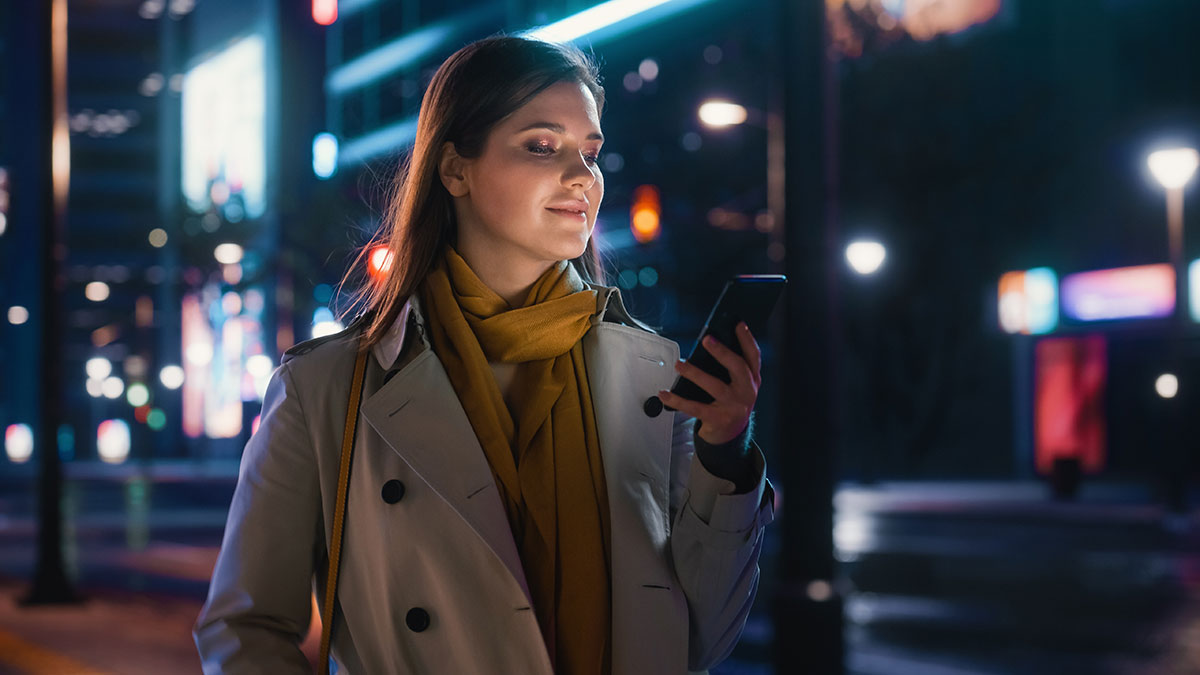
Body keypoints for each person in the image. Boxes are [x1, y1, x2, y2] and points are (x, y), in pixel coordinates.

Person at [194, 35, 774, 675]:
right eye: (542, 147)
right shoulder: (328, 388)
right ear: (455, 169)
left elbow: (697, 641)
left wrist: (726, 456)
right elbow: (245, 628)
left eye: (590, 152)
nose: (582, 177)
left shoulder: (650, 375)